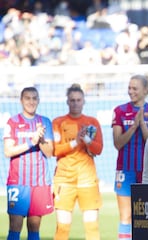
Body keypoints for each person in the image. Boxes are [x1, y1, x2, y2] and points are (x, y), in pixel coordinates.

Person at [52, 83, 103, 240]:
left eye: (78, 100)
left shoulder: (92, 122)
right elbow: (55, 150)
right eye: (72, 100)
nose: (75, 103)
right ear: (67, 101)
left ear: (84, 101)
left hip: (87, 180)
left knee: (92, 227)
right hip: (64, 181)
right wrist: (75, 142)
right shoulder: (58, 122)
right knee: (62, 228)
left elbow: (98, 149)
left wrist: (85, 139)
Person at [3, 86, 54, 240]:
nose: (31, 101)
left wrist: (41, 138)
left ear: (38, 100)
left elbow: (49, 153)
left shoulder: (45, 122)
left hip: (39, 182)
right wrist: (32, 142)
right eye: (27, 98)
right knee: (15, 227)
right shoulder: (12, 122)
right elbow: (8, 151)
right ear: (21, 100)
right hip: (18, 183)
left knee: (34, 227)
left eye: (34, 98)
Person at [112, 74, 148, 240]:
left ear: (145, 90)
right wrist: (132, 128)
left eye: (135, 88)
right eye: (129, 88)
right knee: (125, 216)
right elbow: (117, 143)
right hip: (125, 170)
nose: (130, 91)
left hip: (147, 172)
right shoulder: (120, 111)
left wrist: (142, 124)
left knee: (147, 217)